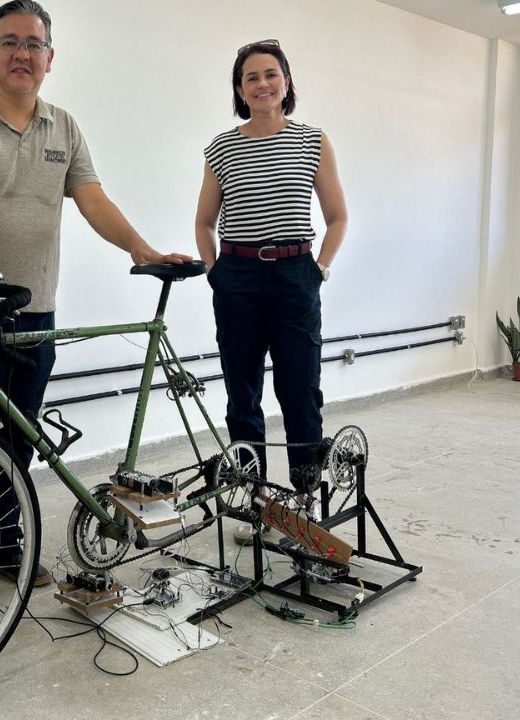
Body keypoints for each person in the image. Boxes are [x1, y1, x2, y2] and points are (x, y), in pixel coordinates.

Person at [0, 1, 190, 627]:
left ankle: (6, 548)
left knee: (20, 440)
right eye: (9, 41)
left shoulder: (64, 127)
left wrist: (142, 250)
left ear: (50, 59)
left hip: (39, 311)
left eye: (34, 44)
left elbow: (92, 198)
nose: (21, 53)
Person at [193, 39, 348, 545]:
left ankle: (302, 509)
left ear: (286, 82)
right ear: (240, 89)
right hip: (236, 276)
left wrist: (318, 268)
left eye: (270, 74)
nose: (262, 84)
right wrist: (216, 271)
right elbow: (203, 223)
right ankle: (256, 503)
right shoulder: (220, 147)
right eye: (251, 77)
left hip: (294, 276)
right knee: (243, 393)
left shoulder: (312, 140)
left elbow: (337, 216)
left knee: (300, 391)